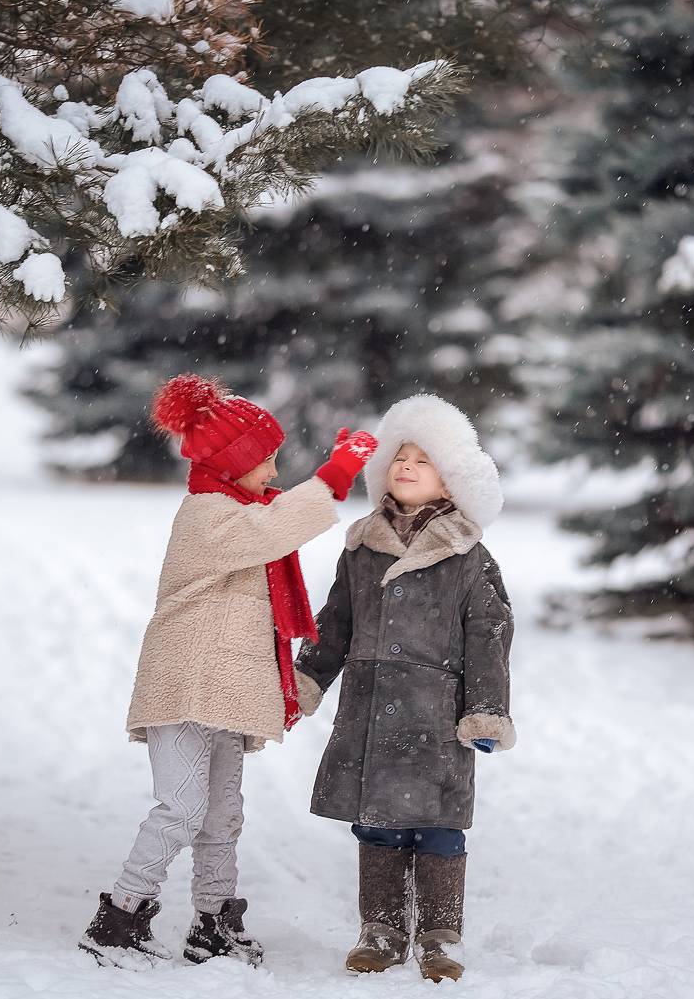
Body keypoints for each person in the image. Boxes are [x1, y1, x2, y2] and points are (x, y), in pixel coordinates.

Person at [78, 374, 377, 970]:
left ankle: (213, 922)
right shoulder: (207, 514)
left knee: (222, 817)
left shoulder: (239, 510)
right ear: (233, 462)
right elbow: (275, 528)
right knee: (181, 810)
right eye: (265, 460)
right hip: (185, 687)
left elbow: (273, 525)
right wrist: (336, 474)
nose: (273, 472)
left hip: (224, 692)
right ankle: (118, 918)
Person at [295, 394, 516, 983]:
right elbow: (335, 622)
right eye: (400, 457)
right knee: (378, 823)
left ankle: (440, 936)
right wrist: (307, 679)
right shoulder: (361, 546)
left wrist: (486, 710)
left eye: (424, 460)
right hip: (370, 711)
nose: (407, 466)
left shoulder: (468, 554)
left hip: (435, 716)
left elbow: (489, 636)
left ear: (452, 481)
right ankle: (382, 929)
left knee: (439, 826)